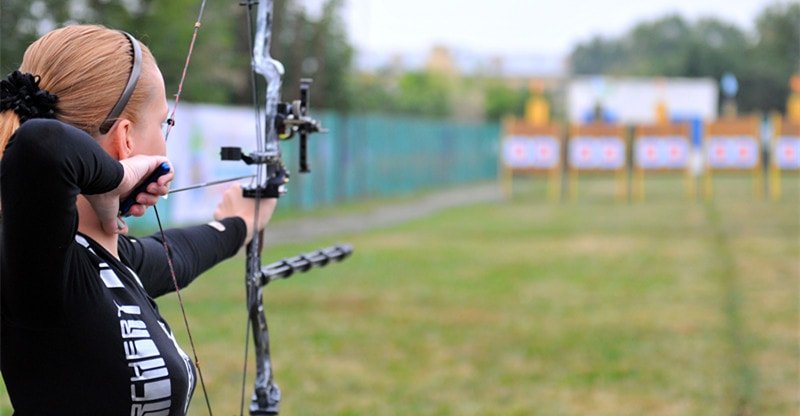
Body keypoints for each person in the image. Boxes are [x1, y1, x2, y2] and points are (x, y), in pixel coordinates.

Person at [0, 25, 276, 414]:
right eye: (163, 124)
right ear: (126, 138)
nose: (164, 141)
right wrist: (118, 178)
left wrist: (240, 222)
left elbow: (176, 254)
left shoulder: (108, 260)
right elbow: (42, 144)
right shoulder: (39, 269)